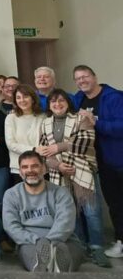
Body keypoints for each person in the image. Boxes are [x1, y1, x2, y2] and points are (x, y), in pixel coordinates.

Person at [39, 88, 109, 267]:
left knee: (92, 212)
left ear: (68, 102)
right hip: (59, 173)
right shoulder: (44, 123)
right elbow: (45, 152)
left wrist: (58, 147)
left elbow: (85, 142)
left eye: (61, 100)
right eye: (53, 101)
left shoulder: (81, 118)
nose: (57, 104)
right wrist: (59, 166)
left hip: (83, 171)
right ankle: (80, 247)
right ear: (49, 105)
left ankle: (97, 248)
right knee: (70, 212)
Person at [2, 150, 85, 272]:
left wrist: (49, 241)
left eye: (35, 166)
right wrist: (37, 240)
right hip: (30, 242)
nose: (30, 170)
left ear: (44, 169)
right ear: (20, 172)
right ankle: (45, 266)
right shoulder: (11, 195)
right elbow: (11, 226)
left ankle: (58, 265)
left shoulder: (61, 193)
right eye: (25, 167)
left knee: (70, 254)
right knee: (33, 258)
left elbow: (65, 222)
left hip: (63, 240)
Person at [72, 65, 123, 259]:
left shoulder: (114, 97)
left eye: (85, 76)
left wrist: (96, 122)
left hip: (119, 158)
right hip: (101, 162)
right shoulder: (79, 99)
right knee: (115, 204)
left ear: (94, 77)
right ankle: (120, 240)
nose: (82, 81)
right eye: (78, 78)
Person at [5, 84, 45, 183]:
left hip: (40, 166)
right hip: (19, 168)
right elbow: (11, 144)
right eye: (18, 97)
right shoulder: (11, 118)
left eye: (25, 96)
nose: (22, 100)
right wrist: (34, 149)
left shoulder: (43, 117)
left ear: (33, 99)